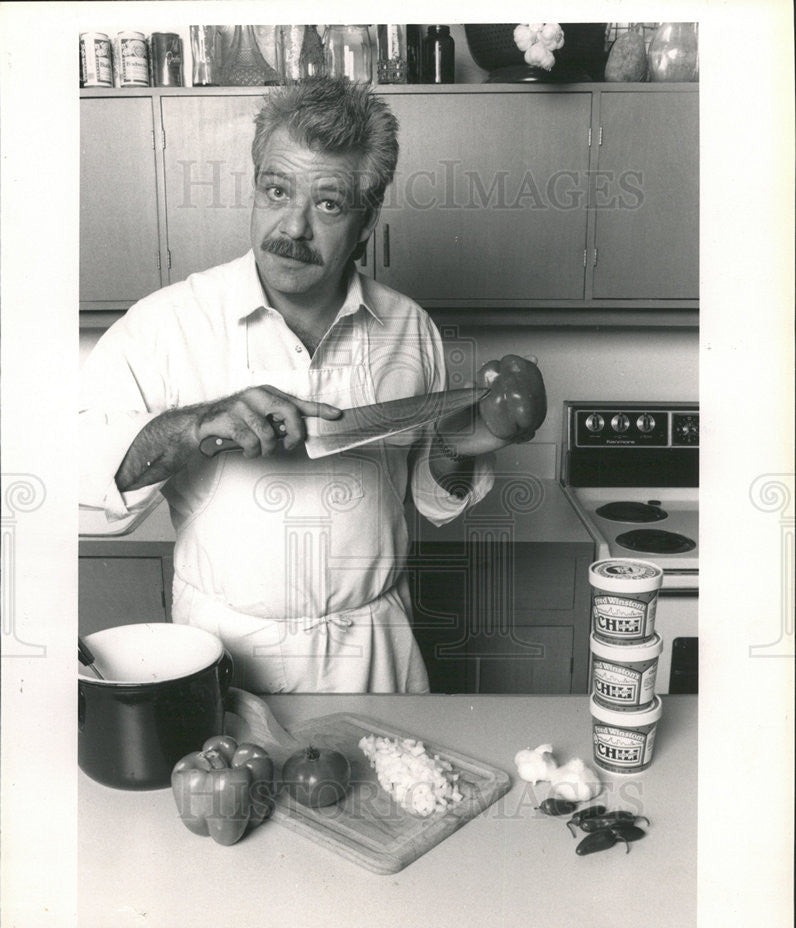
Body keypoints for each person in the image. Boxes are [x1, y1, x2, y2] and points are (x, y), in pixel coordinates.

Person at [80, 78, 547, 694]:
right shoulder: (167, 323)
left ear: (366, 222)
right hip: (224, 657)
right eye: (276, 191)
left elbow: (433, 499)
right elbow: (86, 493)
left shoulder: (410, 328)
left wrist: (462, 446)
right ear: (255, 187)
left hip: (376, 654)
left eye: (328, 204)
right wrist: (196, 427)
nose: (292, 226)